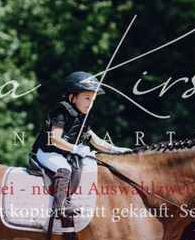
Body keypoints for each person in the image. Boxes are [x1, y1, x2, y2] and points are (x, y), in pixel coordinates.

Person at [31, 71, 130, 221]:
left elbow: (96, 141)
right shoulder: (62, 111)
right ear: (72, 98)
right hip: (48, 153)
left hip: (65, 153)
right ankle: (59, 207)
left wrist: (116, 150)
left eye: (93, 100)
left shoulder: (84, 116)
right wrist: (75, 149)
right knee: (64, 168)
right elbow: (55, 139)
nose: (90, 103)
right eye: (87, 98)